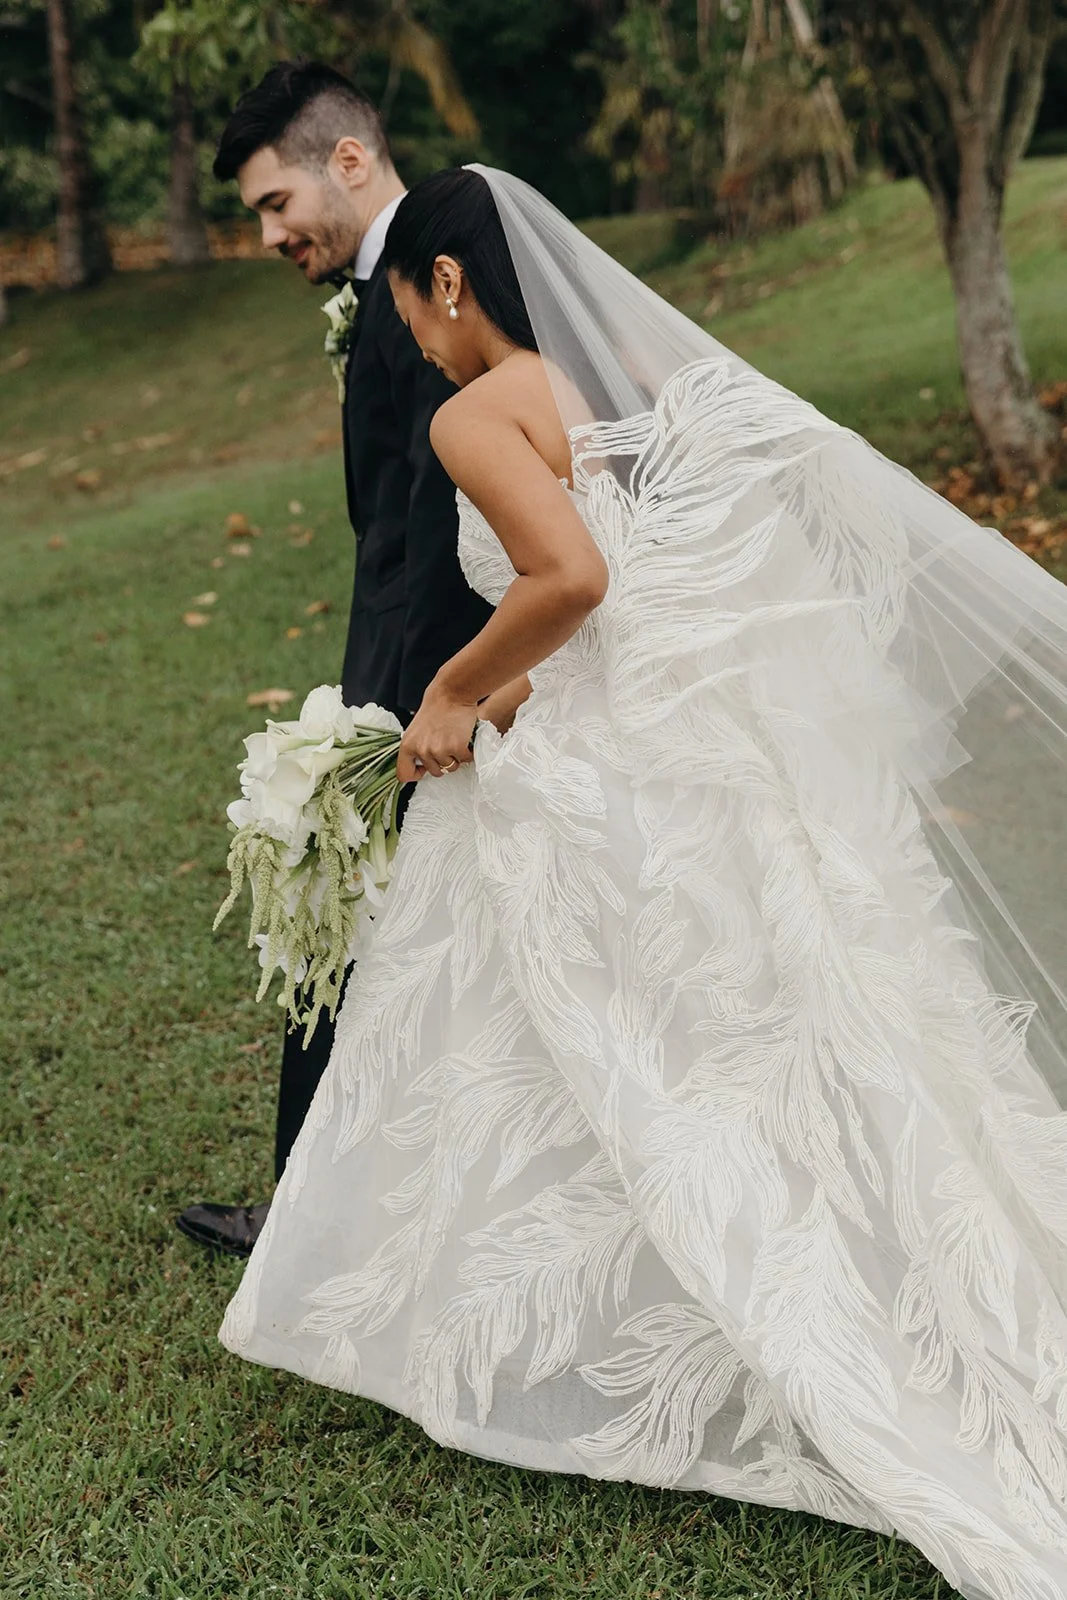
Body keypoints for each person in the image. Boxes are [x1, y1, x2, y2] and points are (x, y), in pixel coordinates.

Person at [219, 167, 1067, 1600]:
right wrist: (493, 703)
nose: (410, 336)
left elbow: (568, 581)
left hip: (609, 771)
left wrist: (451, 689)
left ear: (445, 282)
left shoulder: (474, 410)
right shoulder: (608, 390)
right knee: (740, 1042)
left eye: (410, 308)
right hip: (687, 751)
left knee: (628, 1050)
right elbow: (631, 597)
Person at [175, 66, 491, 1259]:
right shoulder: (388, 282)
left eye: (274, 203)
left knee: (350, 926)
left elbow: (442, 520)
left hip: (431, 683)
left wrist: (396, 717)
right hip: (405, 666)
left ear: (348, 160)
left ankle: (312, 1214)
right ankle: (335, 1197)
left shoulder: (429, 287)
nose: (267, 236)